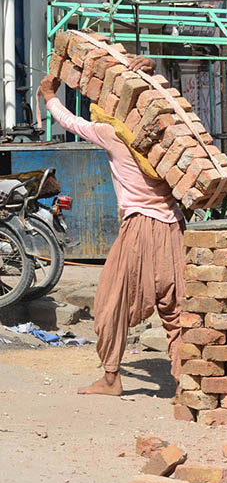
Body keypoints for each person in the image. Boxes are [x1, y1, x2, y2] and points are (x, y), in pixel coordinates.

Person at [39, 55, 186, 396]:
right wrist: (153, 70)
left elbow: (69, 121)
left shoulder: (111, 133)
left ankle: (111, 378)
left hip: (138, 229)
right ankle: (186, 382)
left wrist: (48, 94)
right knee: (177, 310)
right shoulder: (169, 133)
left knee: (111, 302)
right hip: (175, 228)